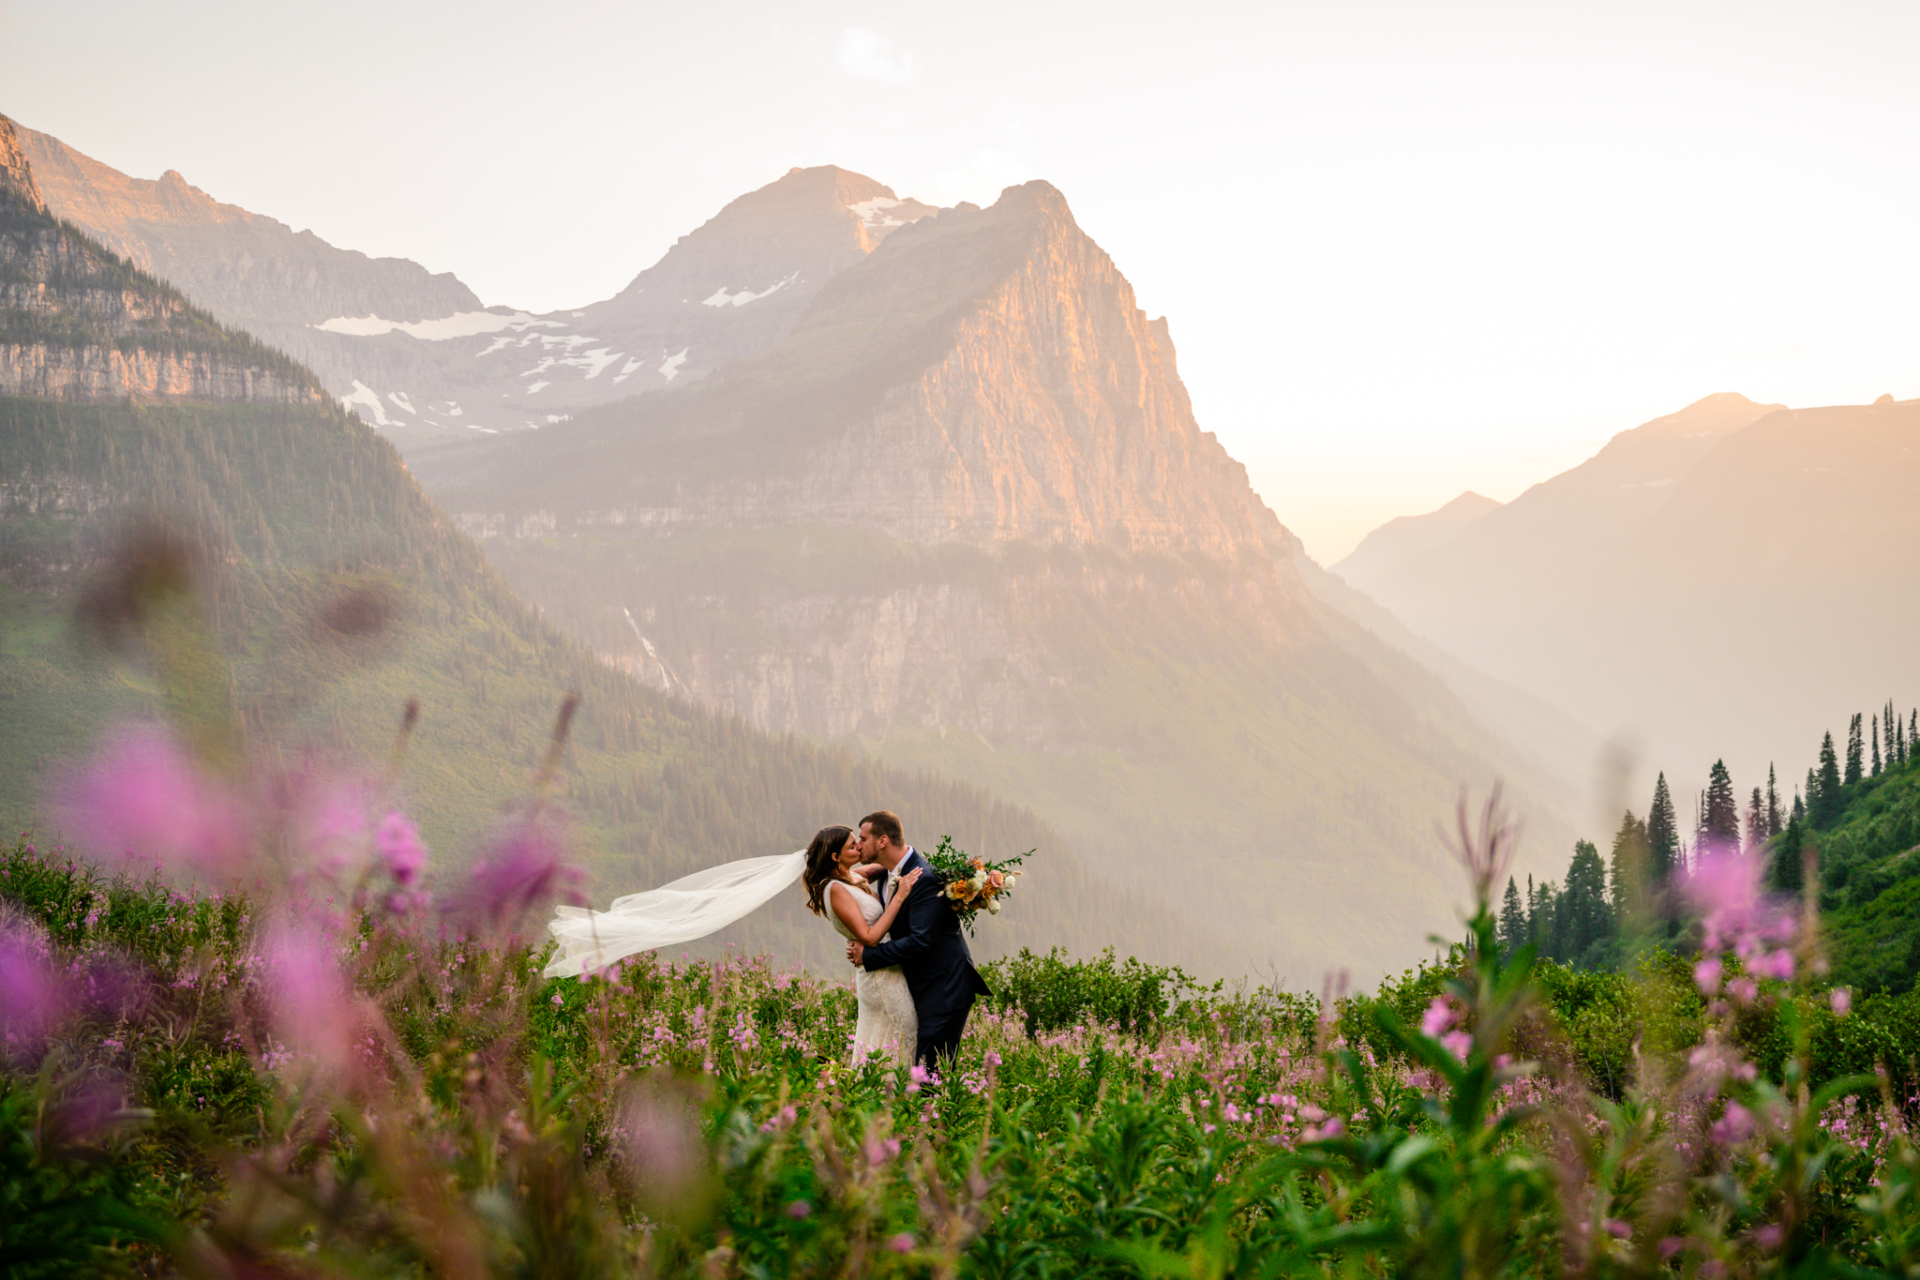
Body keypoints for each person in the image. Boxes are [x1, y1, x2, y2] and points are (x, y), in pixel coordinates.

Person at [842, 810, 991, 1071]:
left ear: (883, 841)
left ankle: (934, 1113)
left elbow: (920, 941)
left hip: (945, 987)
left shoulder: (924, 878)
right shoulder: (888, 873)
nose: (858, 845)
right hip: (923, 987)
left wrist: (868, 956)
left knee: (929, 1072)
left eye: (863, 839)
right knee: (922, 1067)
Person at [801, 823, 922, 1064]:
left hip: (889, 968)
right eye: (852, 844)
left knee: (897, 1036)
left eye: (859, 840)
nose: (859, 845)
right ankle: (893, 1094)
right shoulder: (834, 889)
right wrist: (900, 896)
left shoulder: (852, 877)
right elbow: (869, 937)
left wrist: (890, 850)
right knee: (904, 1033)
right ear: (836, 857)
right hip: (879, 977)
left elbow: (880, 866)